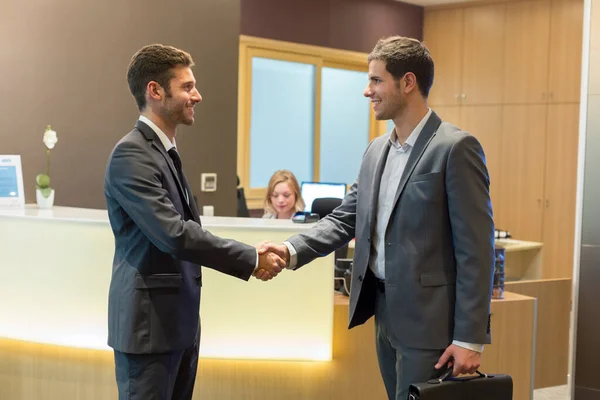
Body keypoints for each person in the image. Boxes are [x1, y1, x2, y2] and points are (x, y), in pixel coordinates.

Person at [257, 36, 494, 400]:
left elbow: (477, 251)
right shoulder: (375, 151)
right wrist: (290, 249)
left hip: (431, 326)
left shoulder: (456, 148)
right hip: (384, 317)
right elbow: (344, 219)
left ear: (408, 83)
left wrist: (469, 338)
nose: (367, 91)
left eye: (376, 80)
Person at [104, 44, 284, 400]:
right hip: (150, 334)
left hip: (178, 328)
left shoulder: (164, 151)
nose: (197, 96)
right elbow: (174, 235)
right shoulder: (131, 154)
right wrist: (250, 257)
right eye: (187, 87)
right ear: (155, 91)